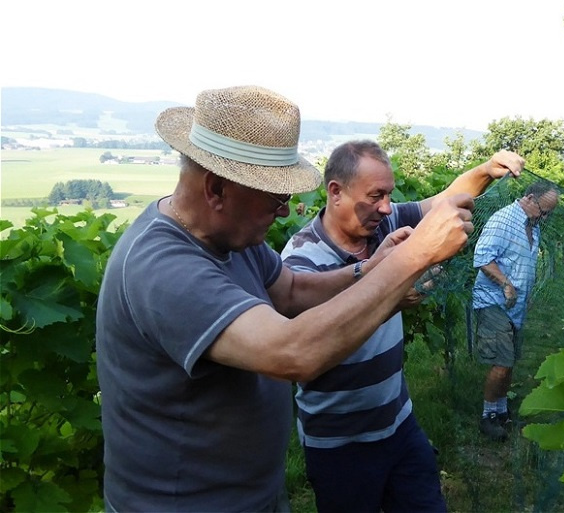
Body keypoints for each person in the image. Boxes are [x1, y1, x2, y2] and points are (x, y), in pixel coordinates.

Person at [95, 86, 478, 512]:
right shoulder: (163, 267)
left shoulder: (230, 237)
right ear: (216, 189)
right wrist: (413, 257)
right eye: (275, 199)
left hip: (251, 496)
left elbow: (293, 291)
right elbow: (292, 353)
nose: (284, 211)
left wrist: (370, 269)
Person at [279, 140, 524, 512]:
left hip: (399, 423)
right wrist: (392, 296)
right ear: (336, 192)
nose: (386, 206)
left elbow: (441, 202)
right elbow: (317, 342)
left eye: (389, 195)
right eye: (375, 196)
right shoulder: (302, 260)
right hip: (340, 443)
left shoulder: (385, 222)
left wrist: (485, 171)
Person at [471, 180, 559, 440]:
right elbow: (482, 258)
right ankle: (488, 416)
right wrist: (506, 284)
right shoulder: (503, 220)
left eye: (549, 214)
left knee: (509, 362)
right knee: (502, 362)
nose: (545, 218)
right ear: (529, 198)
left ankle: (501, 410)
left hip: (515, 305)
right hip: (493, 301)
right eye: (543, 211)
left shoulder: (533, 225)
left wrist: (525, 294)